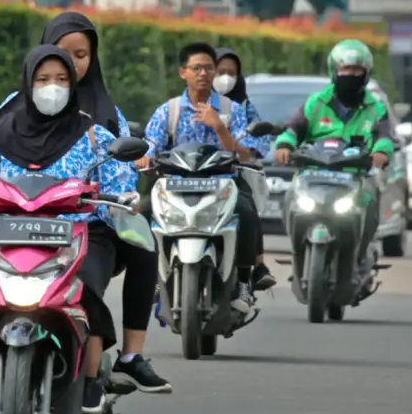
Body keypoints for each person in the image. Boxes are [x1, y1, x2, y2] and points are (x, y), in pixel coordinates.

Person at [0, 13, 171, 409]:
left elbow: (119, 177)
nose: (54, 85)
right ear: (27, 81)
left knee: (98, 278)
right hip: (12, 230)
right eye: (42, 79)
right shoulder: (8, 120)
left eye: (63, 77)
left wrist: (121, 199)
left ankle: (115, 364)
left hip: (76, 232)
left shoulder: (96, 128)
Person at [137, 42, 262, 313]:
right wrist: (144, 157)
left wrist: (219, 127)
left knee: (247, 213)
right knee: (143, 213)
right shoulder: (168, 111)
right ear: (183, 73)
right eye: (196, 68)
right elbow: (151, 144)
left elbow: (245, 154)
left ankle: (243, 282)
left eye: (208, 68)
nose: (203, 73)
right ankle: (153, 277)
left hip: (223, 181)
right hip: (174, 183)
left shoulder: (232, 110)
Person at [272, 39, 395, 284]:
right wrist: (284, 145)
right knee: (290, 198)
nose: (350, 75)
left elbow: (384, 138)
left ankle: (360, 256)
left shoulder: (375, 109)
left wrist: (381, 153)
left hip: (354, 176)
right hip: (313, 173)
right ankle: (297, 252)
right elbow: (293, 129)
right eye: (345, 69)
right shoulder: (315, 103)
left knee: (370, 200)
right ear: (334, 71)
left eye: (356, 70)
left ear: (366, 73)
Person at [214, 47, 276, 292]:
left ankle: (248, 273)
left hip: (229, 175)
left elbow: (257, 146)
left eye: (232, 73)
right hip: (187, 176)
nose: (225, 78)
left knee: (247, 211)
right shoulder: (182, 106)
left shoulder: (241, 109)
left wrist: (236, 145)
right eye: (220, 71)